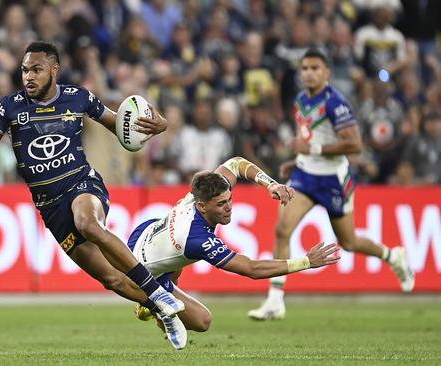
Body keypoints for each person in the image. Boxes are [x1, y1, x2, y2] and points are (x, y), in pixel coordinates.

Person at [0, 41, 187, 349]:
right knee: (112, 280)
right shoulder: (8, 107)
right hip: (51, 207)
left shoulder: (78, 97)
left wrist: (157, 125)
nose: (28, 76)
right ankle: (163, 310)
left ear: (54, 70)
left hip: (82, 184)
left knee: (88, 223)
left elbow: (125, 129)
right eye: (24, 70)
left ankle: (156, 291)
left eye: (36, 69)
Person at [247, 48, 415, 321]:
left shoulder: (336, 103)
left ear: (326, 73)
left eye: (315, 68)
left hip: (333, 180)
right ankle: (275, 300)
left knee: (348, 242)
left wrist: (310, 149)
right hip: (304, 175)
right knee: (282, 229)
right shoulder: (301, 99)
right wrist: (299, 158)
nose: (309, 73)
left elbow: (355, 144)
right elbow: (309, 138)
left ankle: (392, 255)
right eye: (305, 68)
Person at [129, 156, 339, 339]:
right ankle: (151, 305)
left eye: (229, 199)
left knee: (177, 260)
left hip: (145, 234)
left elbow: (236, 163)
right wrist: (306, 262)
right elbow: (252, 269)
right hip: (142, 272)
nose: (229, 208)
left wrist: (271, 185)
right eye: (221, 204)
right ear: (202, 206)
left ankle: (162, 302)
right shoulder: (197, 238)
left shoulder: (204, 191)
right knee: (203, 321)